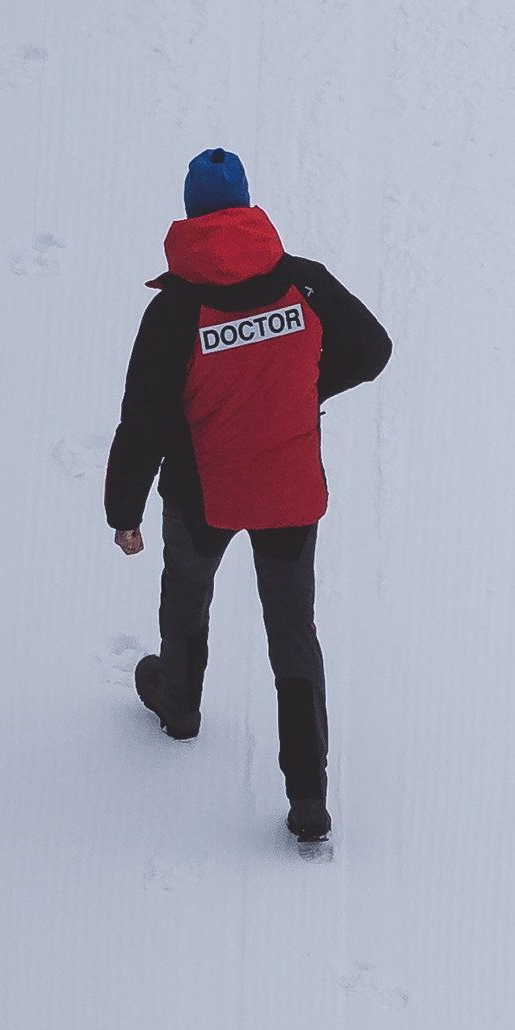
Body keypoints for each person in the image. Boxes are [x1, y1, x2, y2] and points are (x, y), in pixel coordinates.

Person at [106, 148, 392, 846]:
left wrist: (124, 510)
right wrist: (298, 392)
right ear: (247, 205)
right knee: (293, 632)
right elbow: (372, 348)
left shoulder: (176, 311)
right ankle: (309, 800)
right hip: (289, 489)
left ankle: (179, 706)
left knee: (186, 594)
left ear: (192, 215)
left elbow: (144, 418)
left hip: (202, 490)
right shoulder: (304, 283)